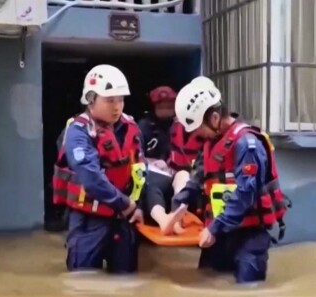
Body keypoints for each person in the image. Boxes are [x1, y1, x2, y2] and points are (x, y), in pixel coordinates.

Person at [170, 79, 291, 284]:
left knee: (247, 290)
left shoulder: (247, 143)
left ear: (215, 117)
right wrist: (179, 204)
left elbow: (245, 192)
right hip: (220, 232)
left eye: (198, 128)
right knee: (207, 281)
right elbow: (198, 177)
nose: (196, 135)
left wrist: (214, 228)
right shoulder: (211, 142)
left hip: (248, 235)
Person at [52, 64, 147, 273]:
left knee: (127, 281)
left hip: (124, 218)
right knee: (83, 282)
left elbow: (140, 172)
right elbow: (91, 178)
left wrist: (138, 205)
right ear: (91, 99)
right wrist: (126, 204)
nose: (117, 106)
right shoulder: (78, 132)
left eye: (120, 99)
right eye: (110, 100)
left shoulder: (131, 128)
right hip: (89, 220)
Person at [137, 86, 199, 234]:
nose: (165, 109)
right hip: (155, 172)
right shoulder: (144, 126)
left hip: (182, 171)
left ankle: (177, 217)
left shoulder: (185, 125)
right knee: (151, 183)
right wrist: (151, 162)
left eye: (169, 106)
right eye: (161, 106)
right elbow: (136, 154)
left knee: (184, 179)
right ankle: (163, 219)